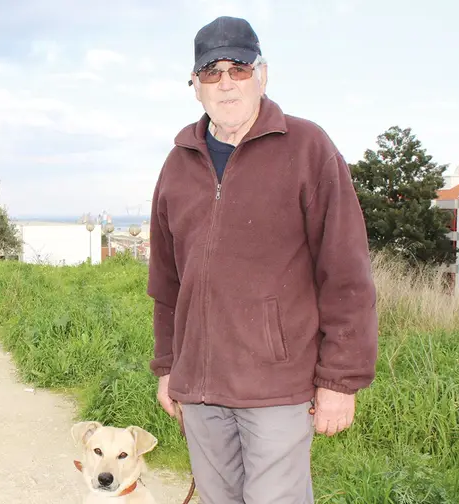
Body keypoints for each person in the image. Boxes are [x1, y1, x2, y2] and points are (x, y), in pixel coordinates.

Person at [146, 15, 379, 504]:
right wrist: (168, 367)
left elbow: (346, 273)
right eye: (211, 72)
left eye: (239, 68)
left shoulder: (308, 147)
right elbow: (166, 284)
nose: (226, 83)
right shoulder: (177, 163)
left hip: (278, 386)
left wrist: (340, 380)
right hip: (200, 389)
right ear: (194, 86)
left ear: (263, 75)